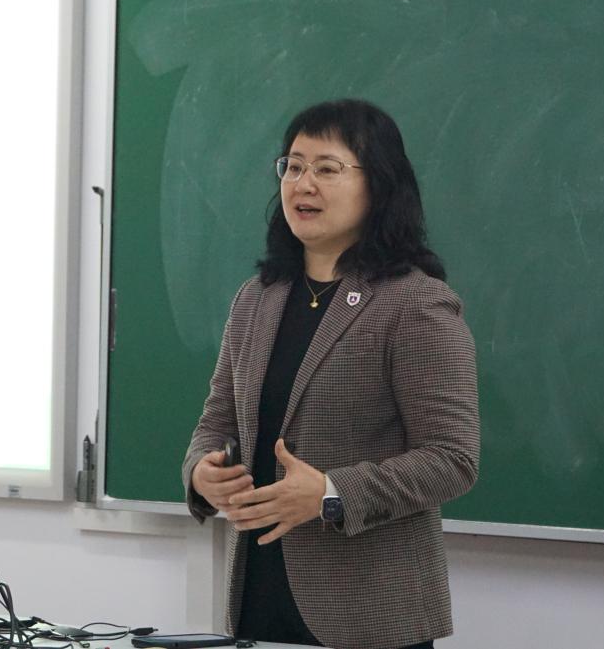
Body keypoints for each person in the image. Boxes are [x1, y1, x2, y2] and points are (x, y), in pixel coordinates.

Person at [181, 99, 480, 649]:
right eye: (293, 166)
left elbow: (452, 459)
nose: (304, 184)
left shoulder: (416, 305)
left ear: (379, 186)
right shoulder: (257, 299)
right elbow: (216, 422)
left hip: (371, 613)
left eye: (327, 167)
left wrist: (330, 493)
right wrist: (202, 472)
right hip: (259, 598)